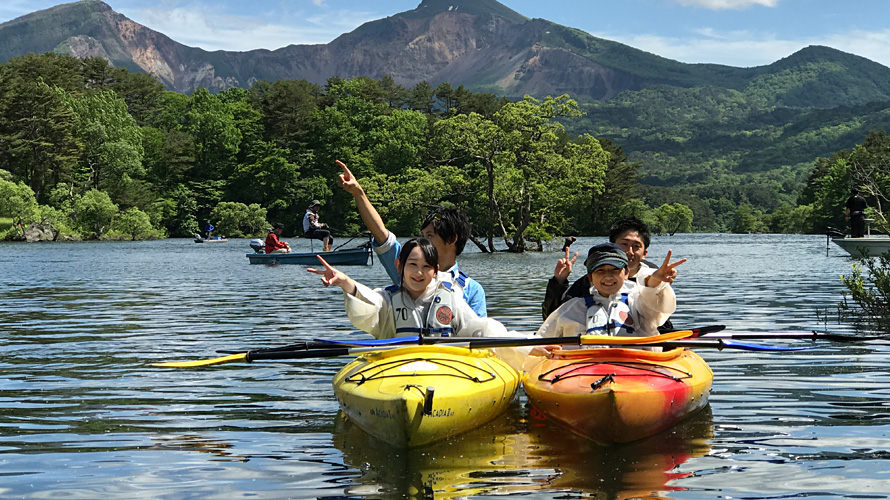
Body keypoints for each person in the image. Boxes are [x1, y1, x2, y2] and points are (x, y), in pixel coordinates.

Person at [336, 160, 488, 317]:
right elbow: (380, 233)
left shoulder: (471, 290)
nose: (422, 243)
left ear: (451, 240)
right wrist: (358, 192)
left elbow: (480, 334)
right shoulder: (408, 269)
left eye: (430, 236)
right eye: (422, 236)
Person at [307, 238, 502, 339]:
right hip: (399, 369)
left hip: (445, 369)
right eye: (412, 265)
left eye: (426, 267)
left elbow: (477, 327)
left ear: (435, 271)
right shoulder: (388, 299)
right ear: (399, 266)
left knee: (491, 326)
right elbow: (369, 303)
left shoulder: (451, 297)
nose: (419, 273)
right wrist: (345, 282)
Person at [530, 242, 685, 356]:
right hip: (581, 370)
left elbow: (653, 300)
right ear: (590, 277)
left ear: (625, 273)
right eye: (600, 270)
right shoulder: (572, 308)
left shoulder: (638, 300)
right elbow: (542, 339)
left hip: (639, 366)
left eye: (614, 270)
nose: (608, 276)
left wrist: (655, 281)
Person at [542, 217, 657, 320]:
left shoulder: (653, 279)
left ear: (644, 253)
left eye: (636, 246)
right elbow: (552, 318)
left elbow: (661, 322)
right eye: (624, 244)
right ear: (613, 246)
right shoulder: (591, 281)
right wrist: (559, 282)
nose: (629, 252)